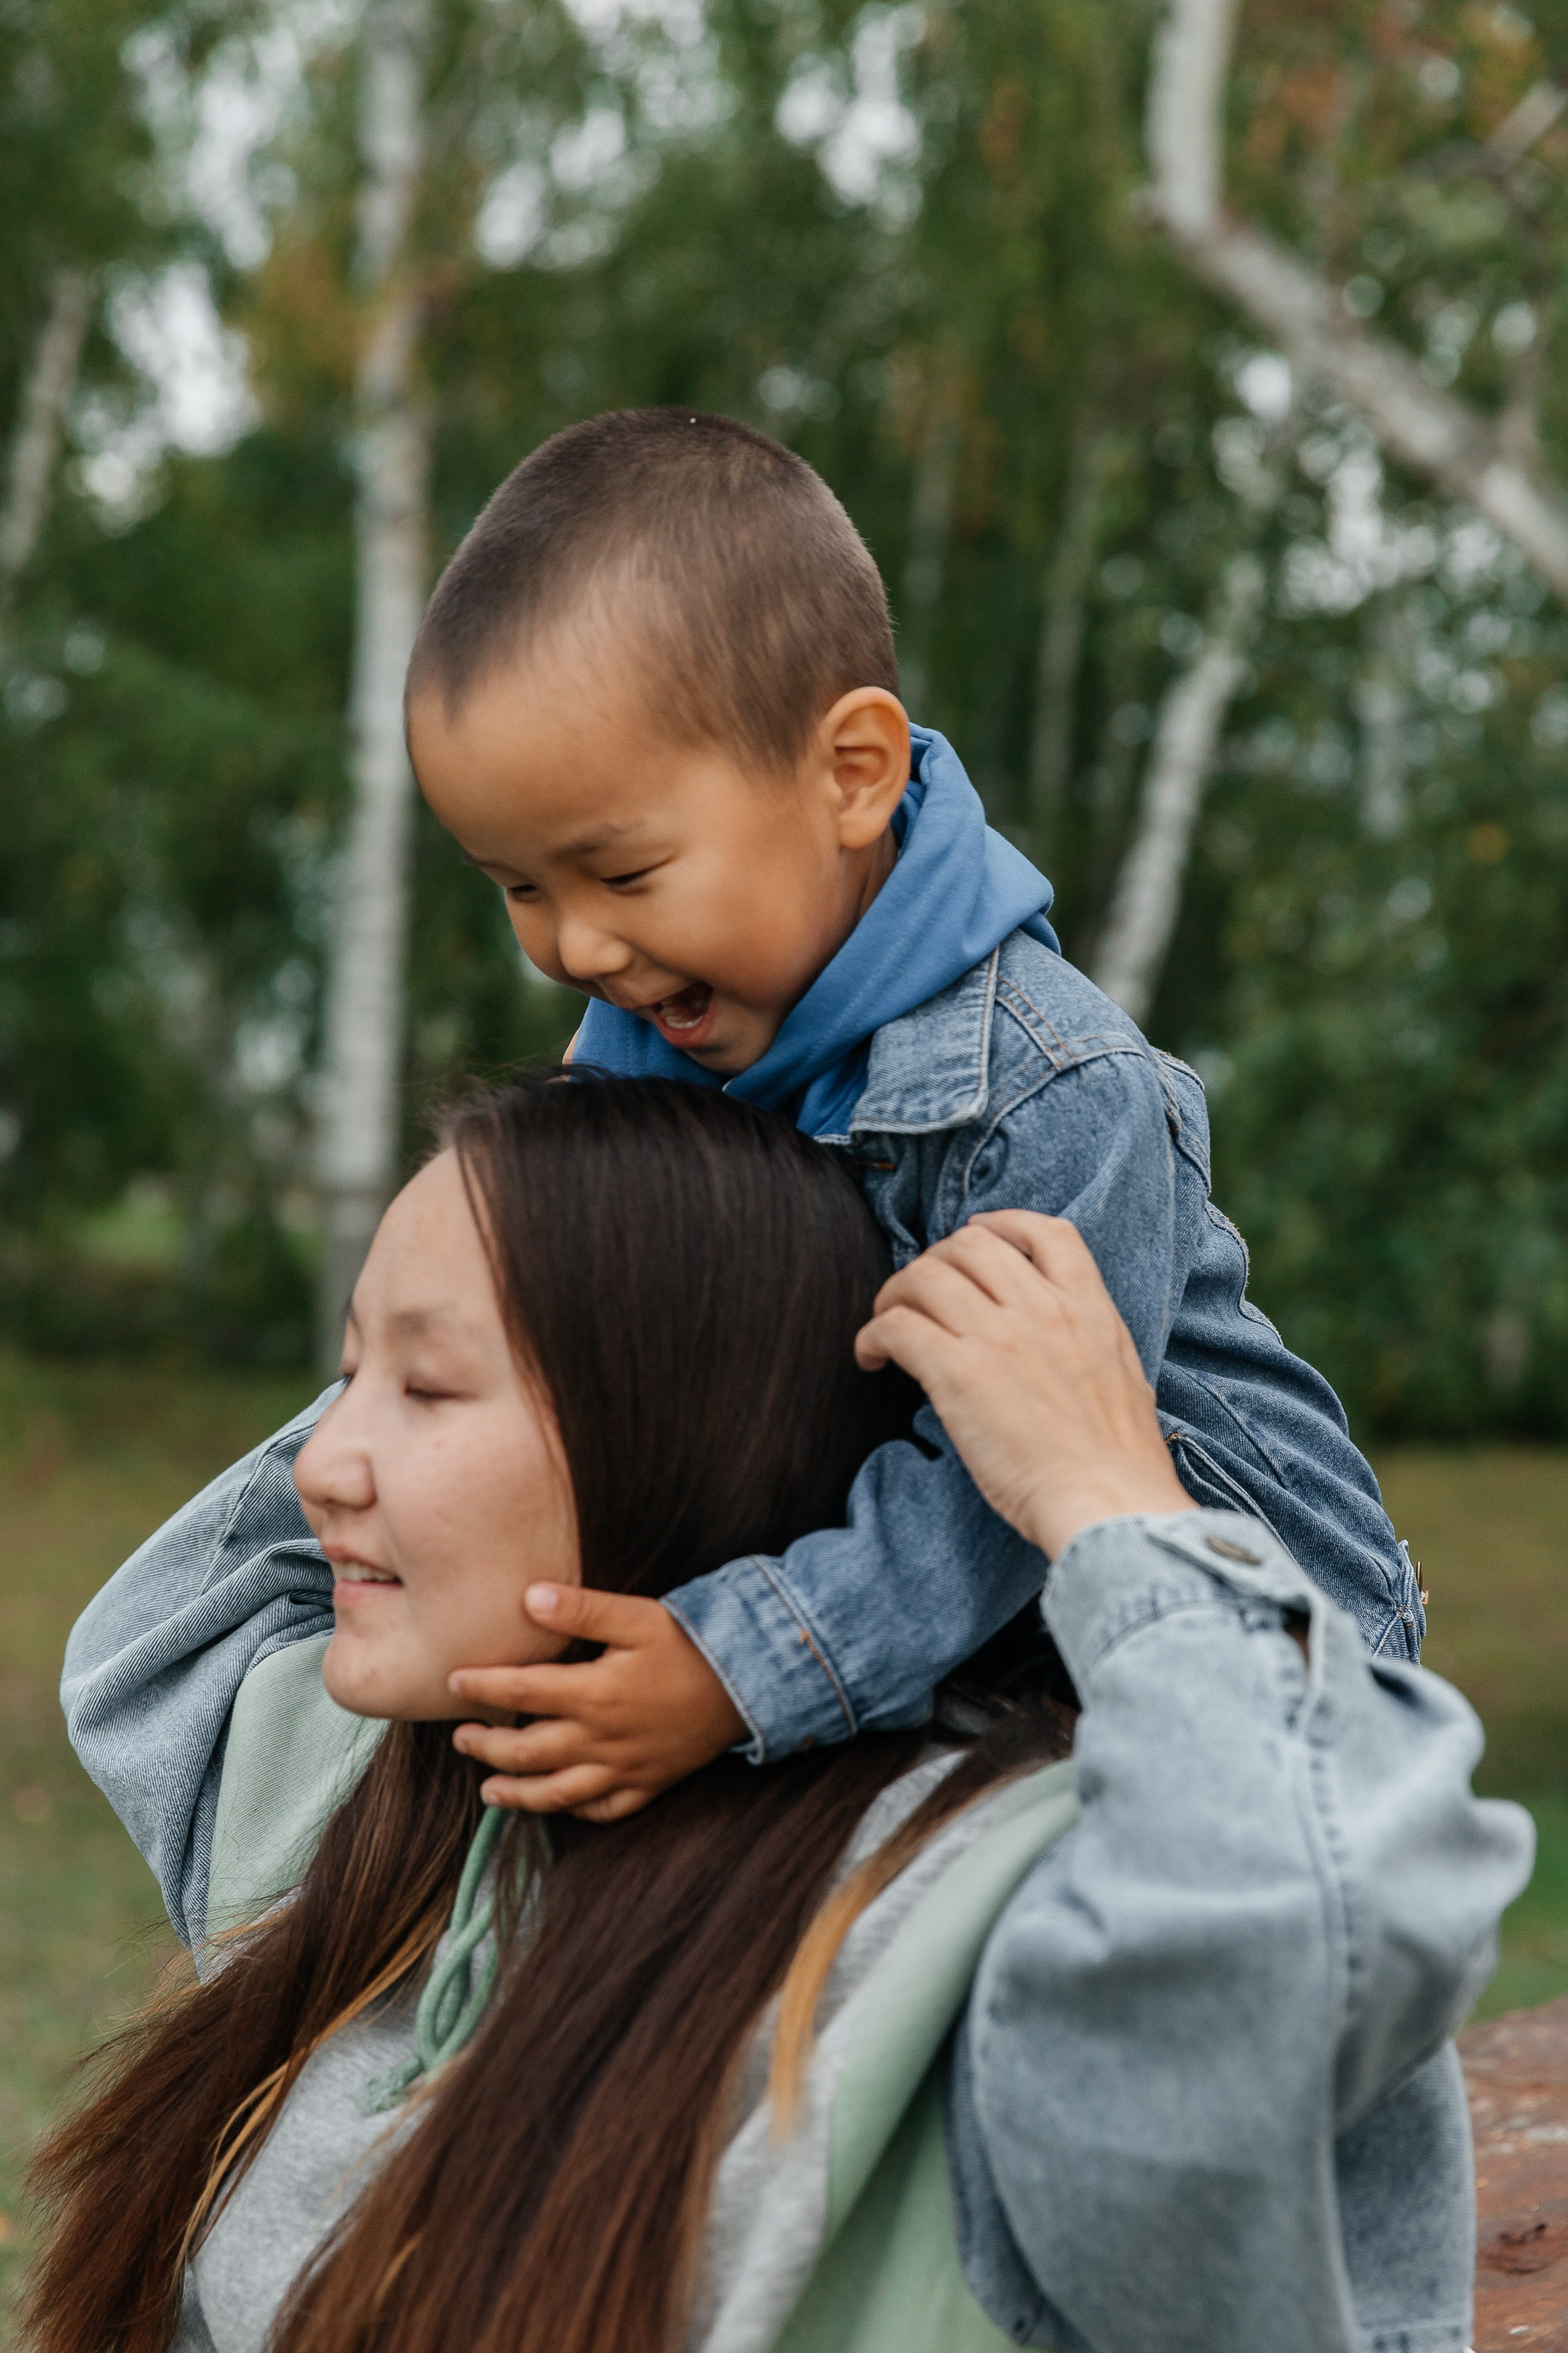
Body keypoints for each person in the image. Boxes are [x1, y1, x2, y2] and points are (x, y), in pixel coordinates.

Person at [64, 409, 1426, 1933]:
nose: (579, 947)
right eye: (520, 888)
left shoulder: (1054, 1090)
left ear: (852, 773)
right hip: (938, 1640)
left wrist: (740, 1665)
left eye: (622, 873)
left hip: (1231, 1627)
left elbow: (1010, 1481)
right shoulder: (663, 1031)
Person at [27, 1077, 1532, 2353]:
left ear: (687, 1427)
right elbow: (158, 1635)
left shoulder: (972, 1937)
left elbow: (1331, 1910)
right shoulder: (395, 1814)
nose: (321, 1464)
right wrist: (614, 1143)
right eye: (347, 1372)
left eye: (425, 1387)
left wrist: (1104, 1490)